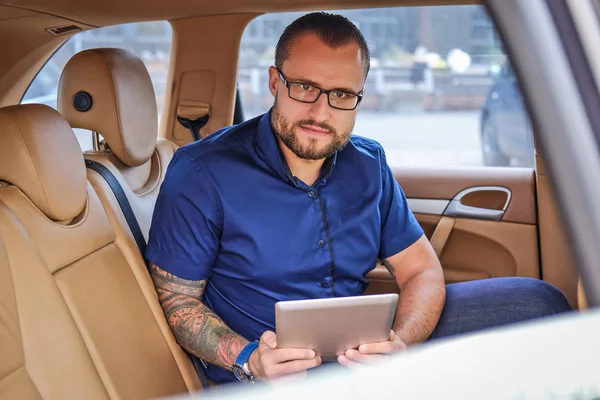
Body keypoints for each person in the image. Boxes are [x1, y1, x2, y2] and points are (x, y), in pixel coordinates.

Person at [145, 12, 572, 386]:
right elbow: (179, 302)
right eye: (304, 88)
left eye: (342, 95)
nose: (320, 112)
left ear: (359, 97)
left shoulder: (368, 164)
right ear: (275, 82)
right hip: (270, 375)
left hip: (363, 356)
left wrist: (400, 343)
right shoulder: (201, 172)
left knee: (538, 303)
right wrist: (249, 358)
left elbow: (420, 270)